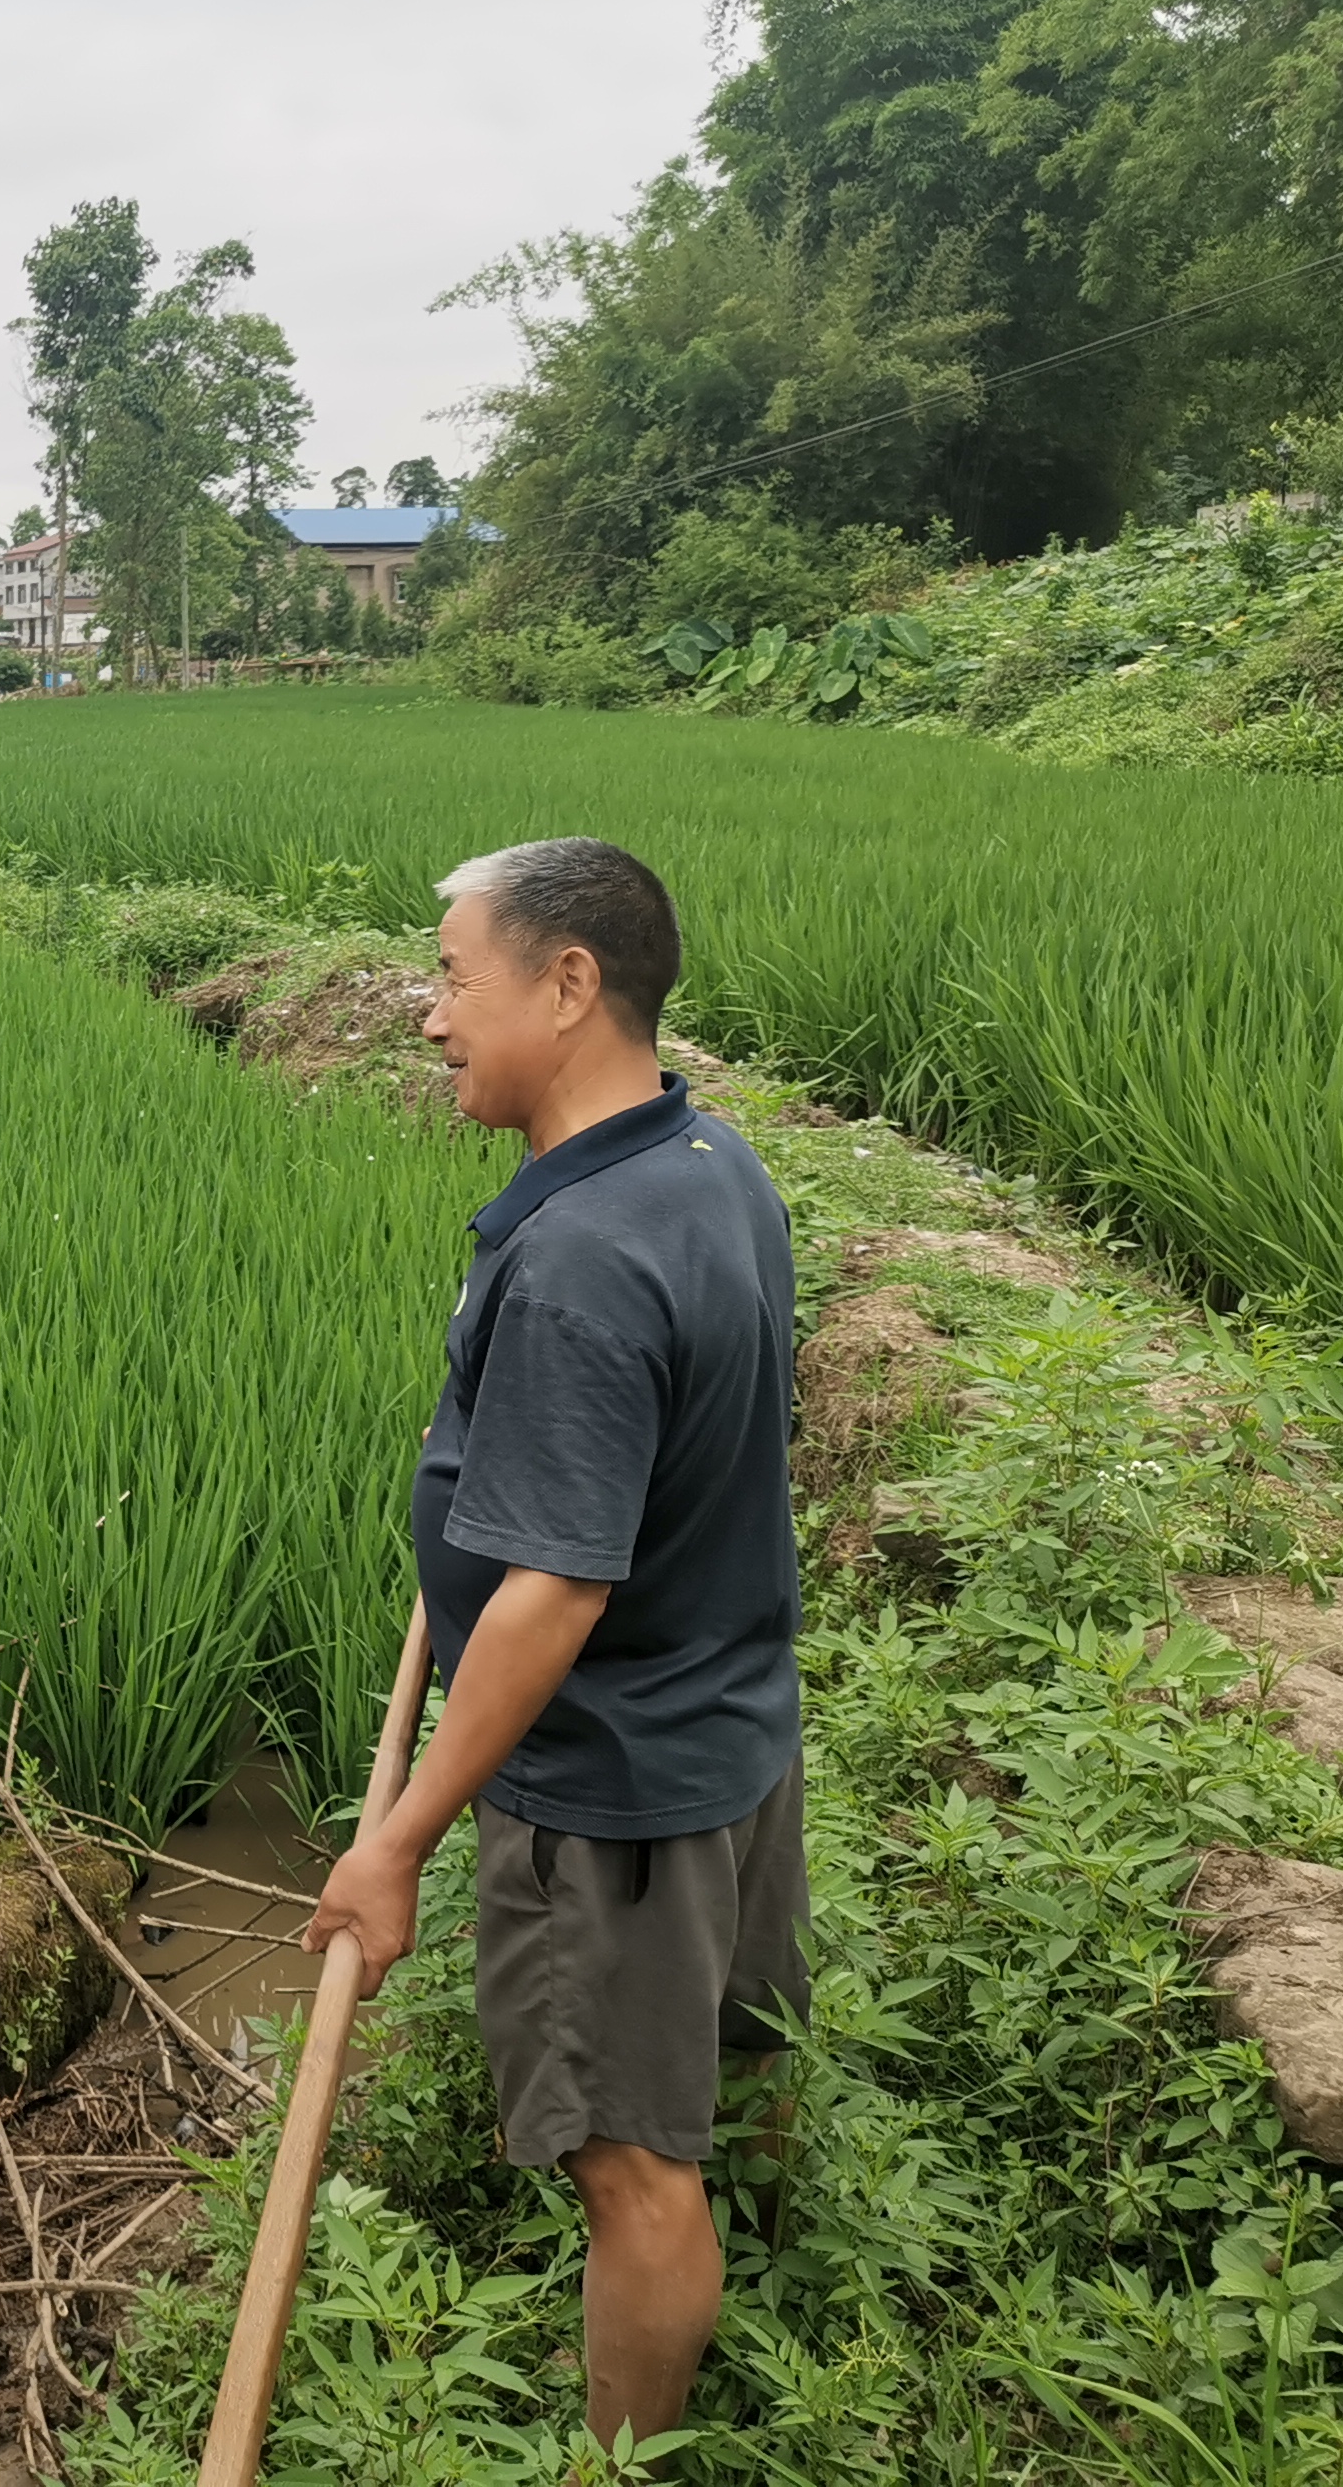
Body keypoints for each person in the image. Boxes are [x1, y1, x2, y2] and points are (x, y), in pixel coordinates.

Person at [304, 836, 804, 2457]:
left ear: (567, 983)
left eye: (452, 975)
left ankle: (617, 2460)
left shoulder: (585, 1259)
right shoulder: (705, 1165)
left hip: (613, 1793)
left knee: (630, 2171)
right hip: (726, 1730)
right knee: (700, 2093)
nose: (428, 1015)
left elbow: (553, 1593)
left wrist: (394, 1843)